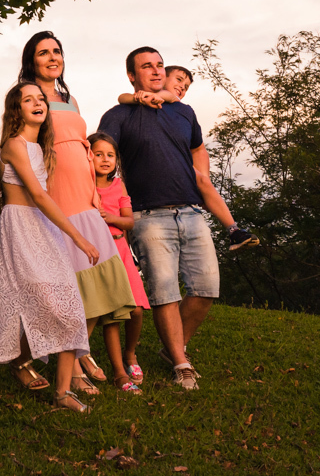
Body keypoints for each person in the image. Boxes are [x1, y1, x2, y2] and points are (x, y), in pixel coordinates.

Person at [15, 31, 140, 397]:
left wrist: (96, 191)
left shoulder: (69, 98)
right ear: (31, 60)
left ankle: (77, 355)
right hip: (56, 192)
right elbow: (24, 143)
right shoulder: (29, 96)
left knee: (95, 281)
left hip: (86, 195)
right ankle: (39, 363)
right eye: (43, 53)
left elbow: (83, 147)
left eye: (57, 51)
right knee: (63, 284)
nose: (53, 57)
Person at [97, 47, 216, 391]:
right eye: (146, 66)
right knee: (165, 292)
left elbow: (197, 146)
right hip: (147, 215)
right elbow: (101, 151)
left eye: (160, 65)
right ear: (132, 76)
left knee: (206, 288)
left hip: (192, 210)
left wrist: (203, 175)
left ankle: (171, 347)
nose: (156, 71)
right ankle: (182, 362)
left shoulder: (183, 111)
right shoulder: (120, 114)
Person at [0, 82, 99, 413]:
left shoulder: (43, 150)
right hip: (22, 228)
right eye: (27, 99)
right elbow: (39, 195)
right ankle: (20, 362)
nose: (38, 103)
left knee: (70, 304)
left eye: (41, 98)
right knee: (39, 300)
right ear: (16, 111)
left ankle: (62, 394)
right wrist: (2, 214)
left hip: (44, 228)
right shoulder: (14, 144)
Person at [118, 65, 259, 251]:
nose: (182, 87)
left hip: (176, 167)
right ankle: (126, 253)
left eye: (186, 86)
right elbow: (121, 98)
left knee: (202, 180)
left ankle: (233, 230)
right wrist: (137, 97)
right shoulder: (138, 106)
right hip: (146, 175)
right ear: (161, 78)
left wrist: (202, 179)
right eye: (179, 80)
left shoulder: (178, 108)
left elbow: (198, 148)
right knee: (122, 202)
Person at [89, 131, 149, 388]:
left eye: (110, 155)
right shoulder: (84, 186)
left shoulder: (118, 185)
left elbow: (129, 222)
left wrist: (109, 218)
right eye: (98, 154)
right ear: (87, 157)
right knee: (113, 314)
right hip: (98, 254)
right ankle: (119, 374)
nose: (105, 159)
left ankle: (130, 353)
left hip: (121, 250)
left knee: (135, 309)